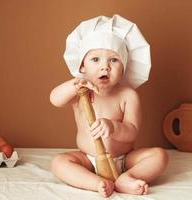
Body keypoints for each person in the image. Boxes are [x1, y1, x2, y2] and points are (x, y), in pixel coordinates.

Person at [50, 15, 168, 198]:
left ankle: (127, 178)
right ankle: (96, 182)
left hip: (124, 159)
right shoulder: (80, 92)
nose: (105, 67)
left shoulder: (128, 95)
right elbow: (55, 99)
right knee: (59, 162)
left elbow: (132, 130)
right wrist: (73, 85)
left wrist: (113, 127)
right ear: (81, 66)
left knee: (160, 155)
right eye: (95, 59)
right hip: (88, 159)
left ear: (124, 66)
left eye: (114, 60)